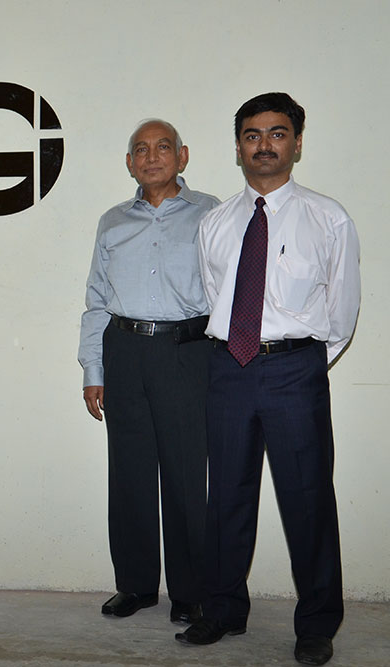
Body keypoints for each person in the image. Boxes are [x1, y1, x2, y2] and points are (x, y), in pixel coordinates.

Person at [175, 92, 360, 667]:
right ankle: (223, 610)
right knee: (226, 497)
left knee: (307, 498)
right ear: (238, 148)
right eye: (252, 135)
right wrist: (241, 350)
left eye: (277, 134)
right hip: (228, 368)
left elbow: (343, 311)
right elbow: (216, 296)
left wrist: (300, 360)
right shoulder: (216, 222)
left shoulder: (328, 218)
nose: (264, 145)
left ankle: (317, 624)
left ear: (297, 143)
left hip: (295, 371)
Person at [78, 119, 219, 625]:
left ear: (183, 156)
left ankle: (190, 592)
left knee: (185, 475)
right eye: (141, 149)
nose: (151, 156)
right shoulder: (113, 221)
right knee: (130, 475)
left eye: (163, 147)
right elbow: (96, 298)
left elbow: (229, 290)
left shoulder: (212, 214)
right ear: (129, 163)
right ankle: (135, 585)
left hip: (186, 352)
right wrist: (93, 368)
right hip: (124, 351)